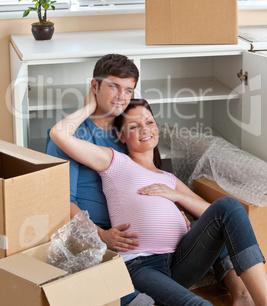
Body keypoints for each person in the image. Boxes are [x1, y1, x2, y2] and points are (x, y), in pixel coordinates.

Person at [50, 94, 267, 306]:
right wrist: (90, 106)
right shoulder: (115, 161)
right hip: (141, 266)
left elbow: (213, 212)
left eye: (149, 122)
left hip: (181, 259)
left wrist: (176, 195)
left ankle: (254, 297)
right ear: (122, 137)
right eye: (134, 126)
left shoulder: (168, 178)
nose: (145, 129)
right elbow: (59, 135)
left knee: (229, 206)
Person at [47, 54, 154, 306]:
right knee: (118, 292)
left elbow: (147, 175)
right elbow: (61, 202)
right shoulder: (70, 137)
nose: (121, 97)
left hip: (137, 233)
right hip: (94, 237)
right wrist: (103, 235)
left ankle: (243, 296)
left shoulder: (127, 131)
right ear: (95, 87)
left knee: (214, 224)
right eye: (113, 86)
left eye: (128, 90)